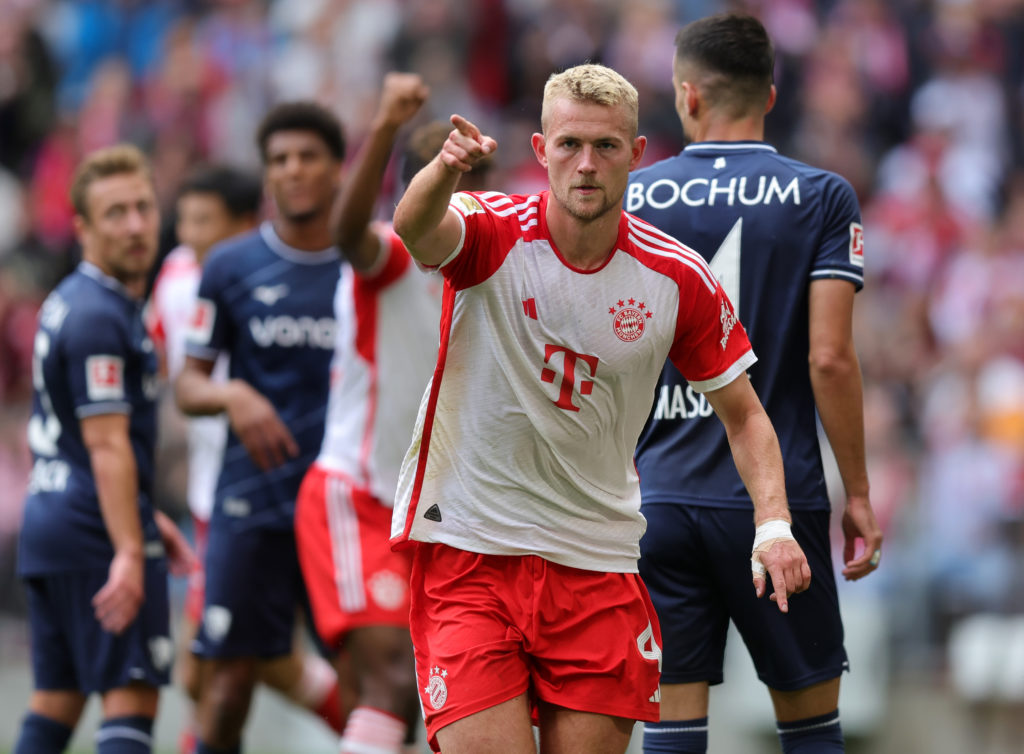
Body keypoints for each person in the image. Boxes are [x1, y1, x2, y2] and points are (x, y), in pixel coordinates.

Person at [390, 62, 811, 754]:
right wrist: (444, 168)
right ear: (540, 150)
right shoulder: (489, 230)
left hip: (596, 565)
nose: (586, 165)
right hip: (471, 552)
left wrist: (773, 525)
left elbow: (745, 414)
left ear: (638, 155)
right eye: (569, 145)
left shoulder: (676, 278)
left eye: (607, 147)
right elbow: (414, 228)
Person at [625, 14, 884, 754]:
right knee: (811, 732)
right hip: (778, 502)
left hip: (659, 499)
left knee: (672, 733)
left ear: (687, 96)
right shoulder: (823, 196)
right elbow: (828, 359)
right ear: (770, 95)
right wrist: (857, 491)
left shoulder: (634, 198)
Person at [294, 73, 474, 754]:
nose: (466, 207)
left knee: (424, 692)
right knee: (394, 677)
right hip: (358, 493)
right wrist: (385, 125)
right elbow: (344, 234)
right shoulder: (394, 256)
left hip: (434, 512)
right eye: (451, 188)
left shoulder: (498, 268)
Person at [146, 164, 344, 754]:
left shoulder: (270, 270)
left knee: (216, 670)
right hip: (219, 493)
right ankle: (364, 727)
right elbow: (164, 369)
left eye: (203, 221)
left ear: (242, 223)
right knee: (221, 668)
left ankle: (368, 727)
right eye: (183, 221)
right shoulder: (178, 277)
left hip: (284, 488)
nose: (189, 234)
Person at [14, 143, 194, 753]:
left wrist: (145, 518)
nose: (137, 225)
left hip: (53, 522)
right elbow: (106, 444)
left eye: (143, 206)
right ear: (84, 228)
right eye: (115, 213)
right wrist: (127, 546)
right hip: (92, 528)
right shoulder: (99, 317)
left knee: (57, 698)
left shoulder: (74, 299)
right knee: (131, 695)